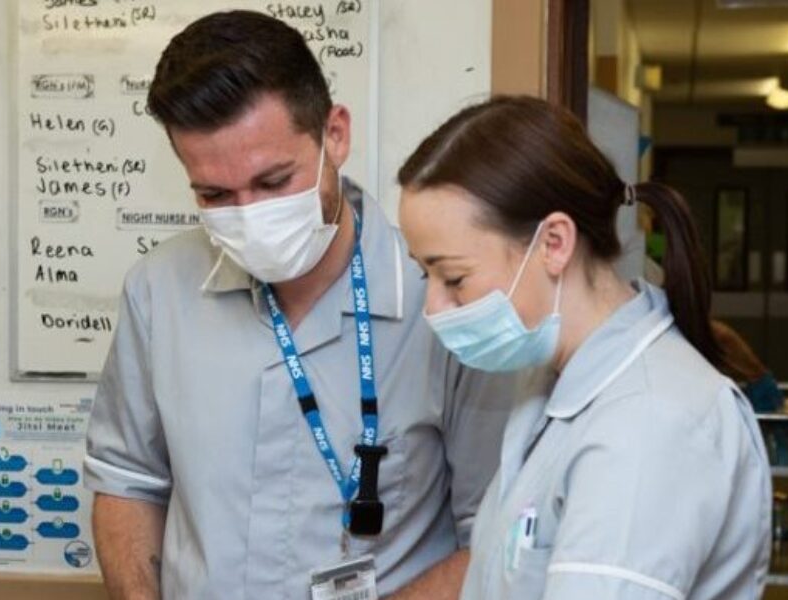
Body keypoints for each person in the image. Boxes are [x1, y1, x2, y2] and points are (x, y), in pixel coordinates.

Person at [84, 11, 510, 599]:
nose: (249, 213)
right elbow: (127, 484)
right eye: (215, 194)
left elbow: (497, 540)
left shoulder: (440, 297)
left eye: (273, 181)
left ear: (335, 135)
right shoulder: (158, 292)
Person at [397, 96, 771, 599]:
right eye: (426, 275)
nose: (434, 308)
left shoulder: (648, 420)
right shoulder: (552, 387)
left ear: (553, 243)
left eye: (453, 277)